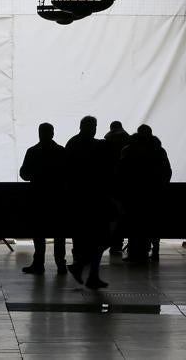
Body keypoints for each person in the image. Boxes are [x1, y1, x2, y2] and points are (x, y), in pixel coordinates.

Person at [64, 115, 110, 289]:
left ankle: (83, 267)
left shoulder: (73, 144)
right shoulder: (97, 146)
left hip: (79, 197)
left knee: (88, 237)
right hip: (94, 198)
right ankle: (88, 271)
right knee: (100, 238)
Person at [19, 122, 68, 275]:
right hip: (57, 198)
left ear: (39, 134)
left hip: (38, 197)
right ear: (52, 134)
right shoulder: (61, 151)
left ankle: (39, 263)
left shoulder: (32, 152)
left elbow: (24, 174)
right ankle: (60, 264)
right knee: (59, 233)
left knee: (39, 233)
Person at [119, 124, 172, 261]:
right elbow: (166, 171)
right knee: (153, 222)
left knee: (134, 222)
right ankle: (155, 249)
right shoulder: (158, 150)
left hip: (134, 193)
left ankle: (134, 251)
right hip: (153, 192)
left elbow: (122, 171)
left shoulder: (129, 150)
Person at [101, 120, 131, 253]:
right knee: (123, 214)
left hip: (109, 182)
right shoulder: (128, 139)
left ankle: (111, 243)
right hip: (124, 183)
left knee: (110, 215)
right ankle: (118, 245)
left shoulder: (107, 139)